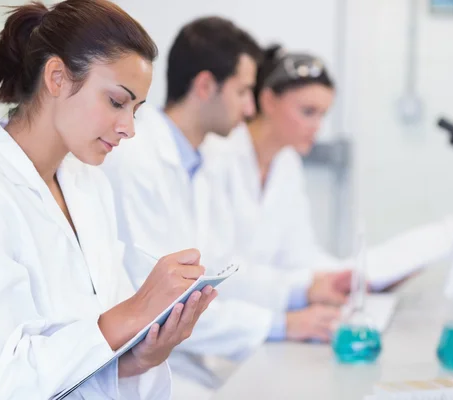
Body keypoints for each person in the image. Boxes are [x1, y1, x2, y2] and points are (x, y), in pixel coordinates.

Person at [0, 1, 216, 399]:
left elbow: (90, 357)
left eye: (136, 110)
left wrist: (140, 355)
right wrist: (132, 313)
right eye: (117, 102)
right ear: (57, 78)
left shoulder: (88, 187)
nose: (129, 128)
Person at [101, 17, 350, 397]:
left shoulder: (199, 163)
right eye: (243, 92)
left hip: (192, 356)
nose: (250, 107)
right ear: (205, 86)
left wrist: (294, 307)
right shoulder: (138, 161)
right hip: (149, 367)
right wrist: (282, 323)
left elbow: (220, 271)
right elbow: (167, 305)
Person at [201, 45, 347, 276]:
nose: (317, 126)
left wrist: (347, 277)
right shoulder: (217, 155)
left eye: (323, 115)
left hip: (267, 304)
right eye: (308, 112)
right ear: (268, 101)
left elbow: (300, 254)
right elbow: (217, 265)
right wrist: (295, 296)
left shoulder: (288, 163)